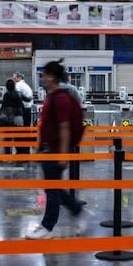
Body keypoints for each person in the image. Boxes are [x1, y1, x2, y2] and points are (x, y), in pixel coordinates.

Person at [27, 60, 84, 239]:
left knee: (52, 189)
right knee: (54, 187)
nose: (42, 78)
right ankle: (78, 211)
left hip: (55, 150)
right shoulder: (51, 96)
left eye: (44, 75)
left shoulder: (60, 98)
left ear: (51, 77)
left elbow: (64, 127)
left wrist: (63, 154)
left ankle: (47, 227)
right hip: (48, 149)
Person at [0, 78, 24, 155]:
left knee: (8, 138)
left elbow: (3, 108)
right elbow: (22, 106)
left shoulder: (6, 95)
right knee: (18, 139)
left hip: (9, 119)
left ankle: (8, 155)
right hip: (18, 118)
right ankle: (19, 155)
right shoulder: (18, 95)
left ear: (6, 87)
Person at [13, 72, 34, 155]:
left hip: (22, 110)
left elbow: (17, 97)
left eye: (15, 78)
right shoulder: (26, 85)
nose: (14, 80)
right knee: (27, 131)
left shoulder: (18, 85)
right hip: (28, 109)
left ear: (19, 78)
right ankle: (26, 151)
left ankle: (20, 151)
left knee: (19, 132)